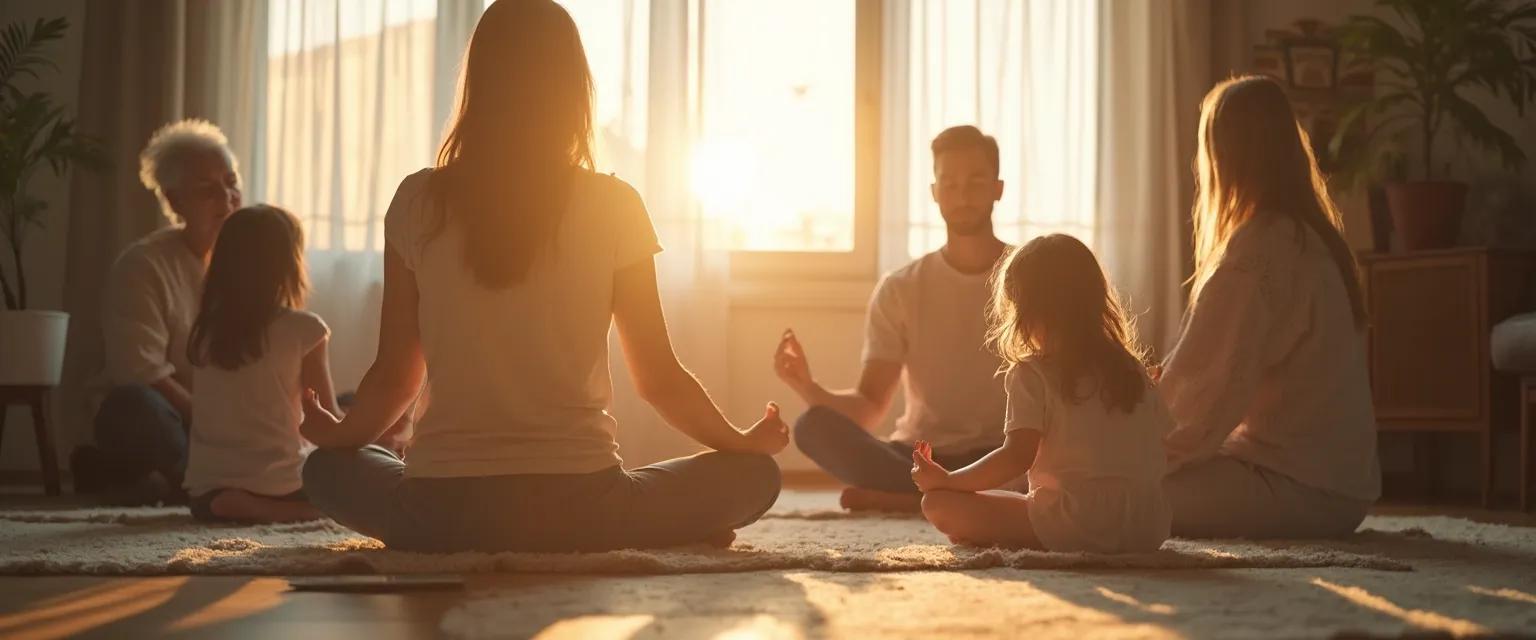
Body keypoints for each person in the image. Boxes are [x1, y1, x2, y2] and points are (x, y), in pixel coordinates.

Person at [297, 0, 785, 553]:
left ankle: (479, 531)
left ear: (479, 84)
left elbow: (395, 377)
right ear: (574, 89)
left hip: (439, 514)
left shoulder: (417, 200)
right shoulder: (615, 204)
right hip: (583, 511)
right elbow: (658, 378)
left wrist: (339, 435)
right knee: (755, 476)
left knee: (325, 469)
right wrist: (740, 441)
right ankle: (668, 526)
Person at [1159, 75, 1380, 539]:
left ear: (1222, 156)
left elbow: (1198, 399)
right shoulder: (1311, 237)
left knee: (1107, 495)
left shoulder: (1261, 248)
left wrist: (1119, 442)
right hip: (1339, 489)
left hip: (1296, 486)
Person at [775, 125, 1011, 513]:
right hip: (919, 458)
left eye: (976, 182)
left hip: (1003, 456)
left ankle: (912, 500)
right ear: (934, 192)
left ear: (997, 189)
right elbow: (869, 406)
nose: (962, 196)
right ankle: (940, 495)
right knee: (812, 427)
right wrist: (806, 385)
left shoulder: (1029, 277)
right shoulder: (901, 287)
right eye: (949, 183)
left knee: (1055, 456)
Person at [912, 234, 1172, 553]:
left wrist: (949, 481)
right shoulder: (1133, 370)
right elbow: (1162, 441)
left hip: (1073, 522)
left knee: (938, 503)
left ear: (1026, 310)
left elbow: (1016, 458)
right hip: (1146, 525)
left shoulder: (1032, 372)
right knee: (1021, 500)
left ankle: (1008, 533)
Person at [74, 119, 242, 504]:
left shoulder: (250, 264)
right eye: (207, 189)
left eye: (231, 182)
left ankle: (172, 481)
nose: (227, 197)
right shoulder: (142, 265)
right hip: (172, 418)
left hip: (227, 427)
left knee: (343, 405)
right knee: (132, 406)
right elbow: (141, 372)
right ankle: (199, 481)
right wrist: (214, 425)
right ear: (174, 201)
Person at [184, 205, 339, 523]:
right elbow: (327, 421)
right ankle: (292, 509)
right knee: (355, 475)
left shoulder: (205, 332)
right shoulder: (305, 329)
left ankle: (237, 503)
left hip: (205, 488)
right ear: (288, 265)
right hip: (282, 484)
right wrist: (376, 438)